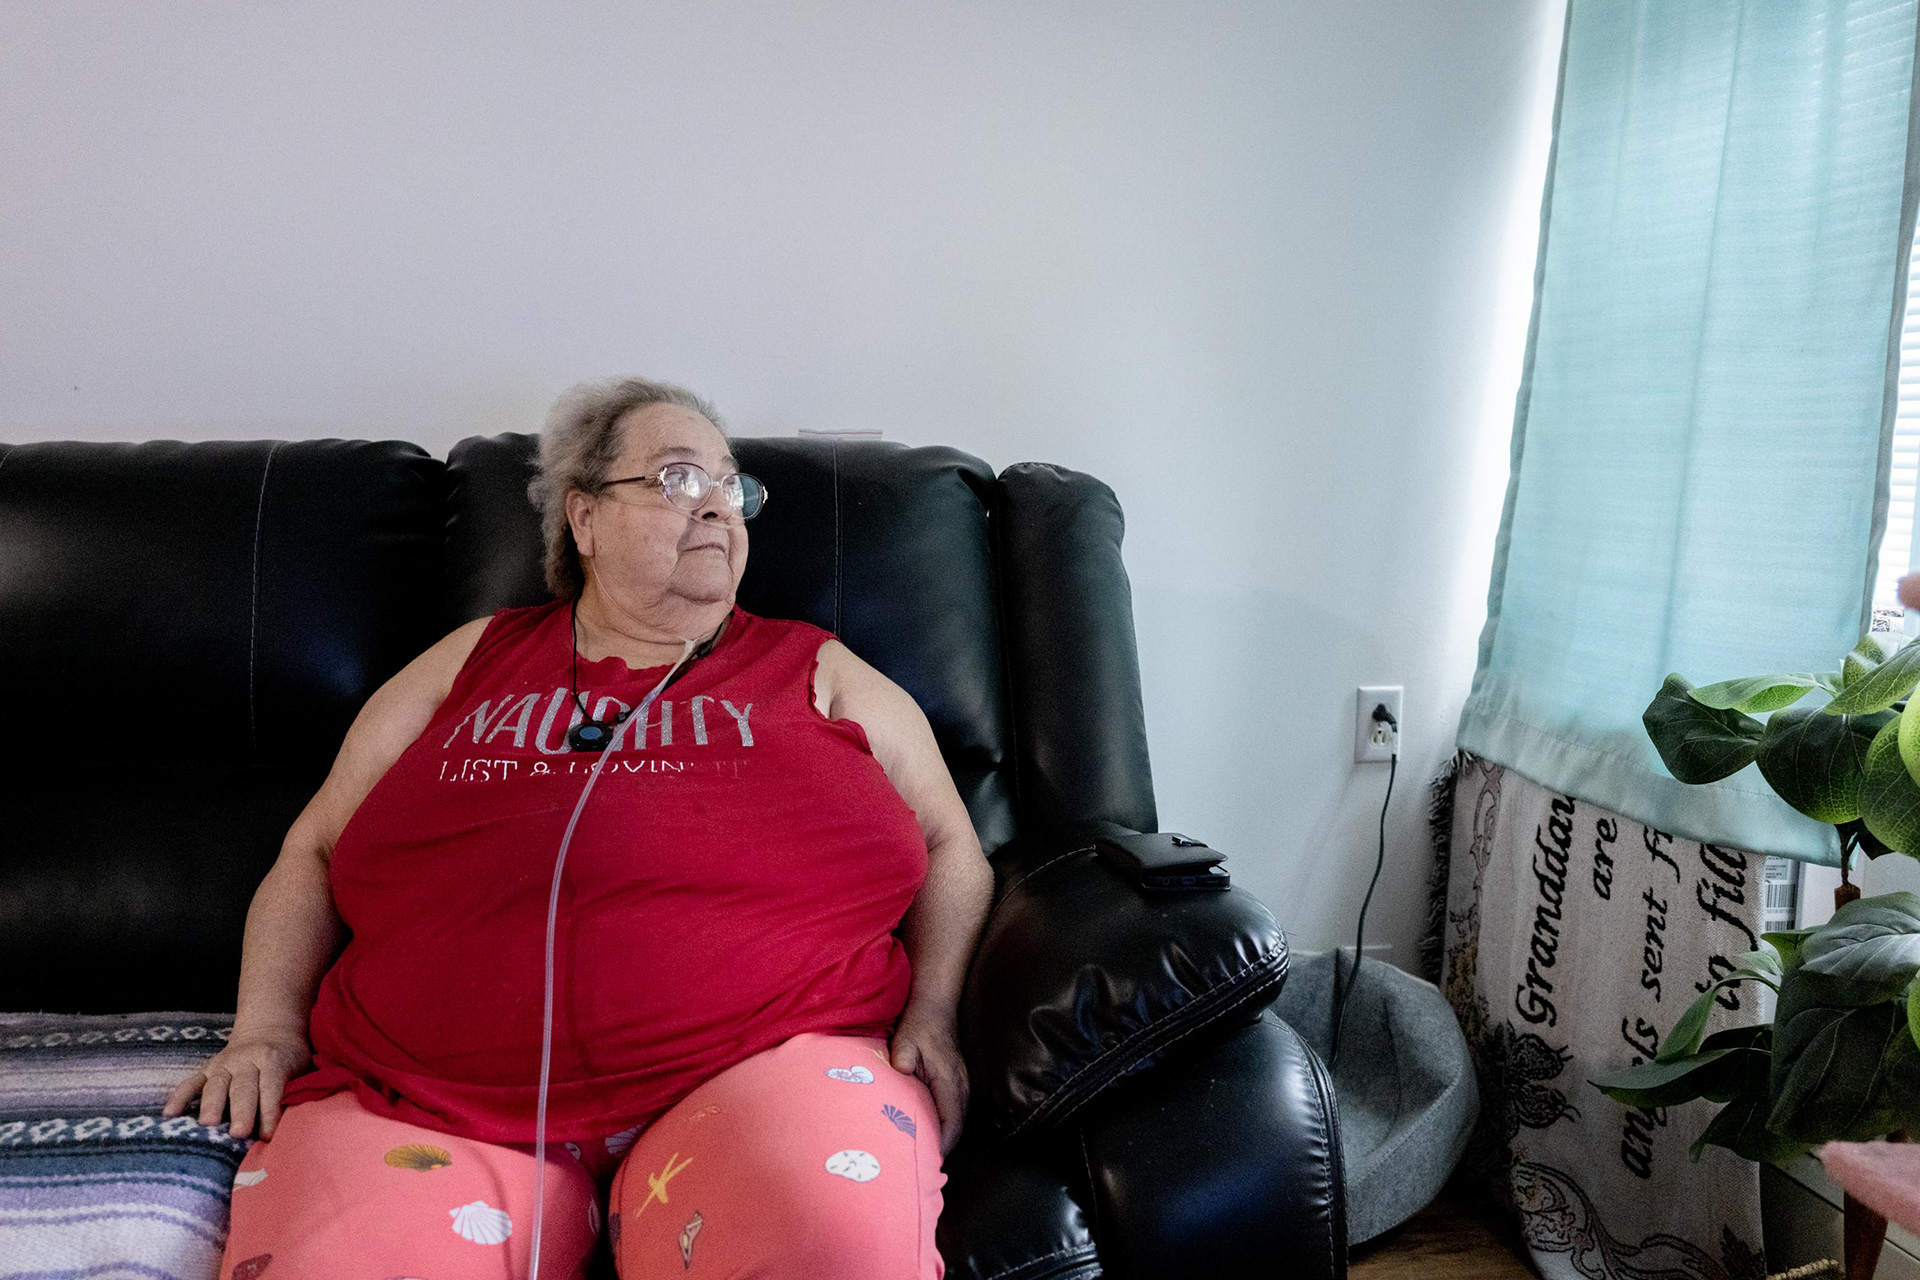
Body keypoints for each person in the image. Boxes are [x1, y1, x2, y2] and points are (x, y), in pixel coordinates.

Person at [164, 378, 994, 1279]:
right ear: (584, 519)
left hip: (764, 1071)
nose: (720, 505)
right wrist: (265, 1030)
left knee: (831, 1249)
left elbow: (957, 848)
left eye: (733, 485)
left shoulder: (819, 668)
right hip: (422, 1099)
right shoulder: (472, 658)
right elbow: (313, 850)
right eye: (679, 479)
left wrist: (937, 1012)